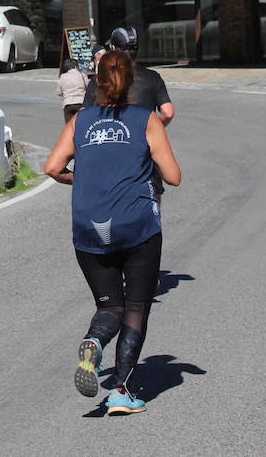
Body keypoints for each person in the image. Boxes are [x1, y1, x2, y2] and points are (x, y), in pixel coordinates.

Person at [43, 49, 181, 416]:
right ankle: (120, 390)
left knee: (109, 307)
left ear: (98, 82)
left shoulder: (81, 120)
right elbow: (173, 177)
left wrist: (82, 177)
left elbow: (52, 167)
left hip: (89, 227)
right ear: (131, 80)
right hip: (136, 225)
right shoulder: (146, 119)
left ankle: (94, 340)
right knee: (135, 307)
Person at [106, 26, 173, 126]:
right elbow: (168, 113)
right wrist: (153, 130)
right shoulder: (153, 77)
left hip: (113, 138)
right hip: (143, 138)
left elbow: (82, 115)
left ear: (113, 48)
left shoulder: (102, 79)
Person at [56, 58, 89, 123]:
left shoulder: (62, 76)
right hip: (81, 102)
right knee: (82, 124)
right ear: (76, 66)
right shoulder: (82, 75)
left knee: (69, 126)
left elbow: (58, 92)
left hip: (68, 104)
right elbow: (87, 87)